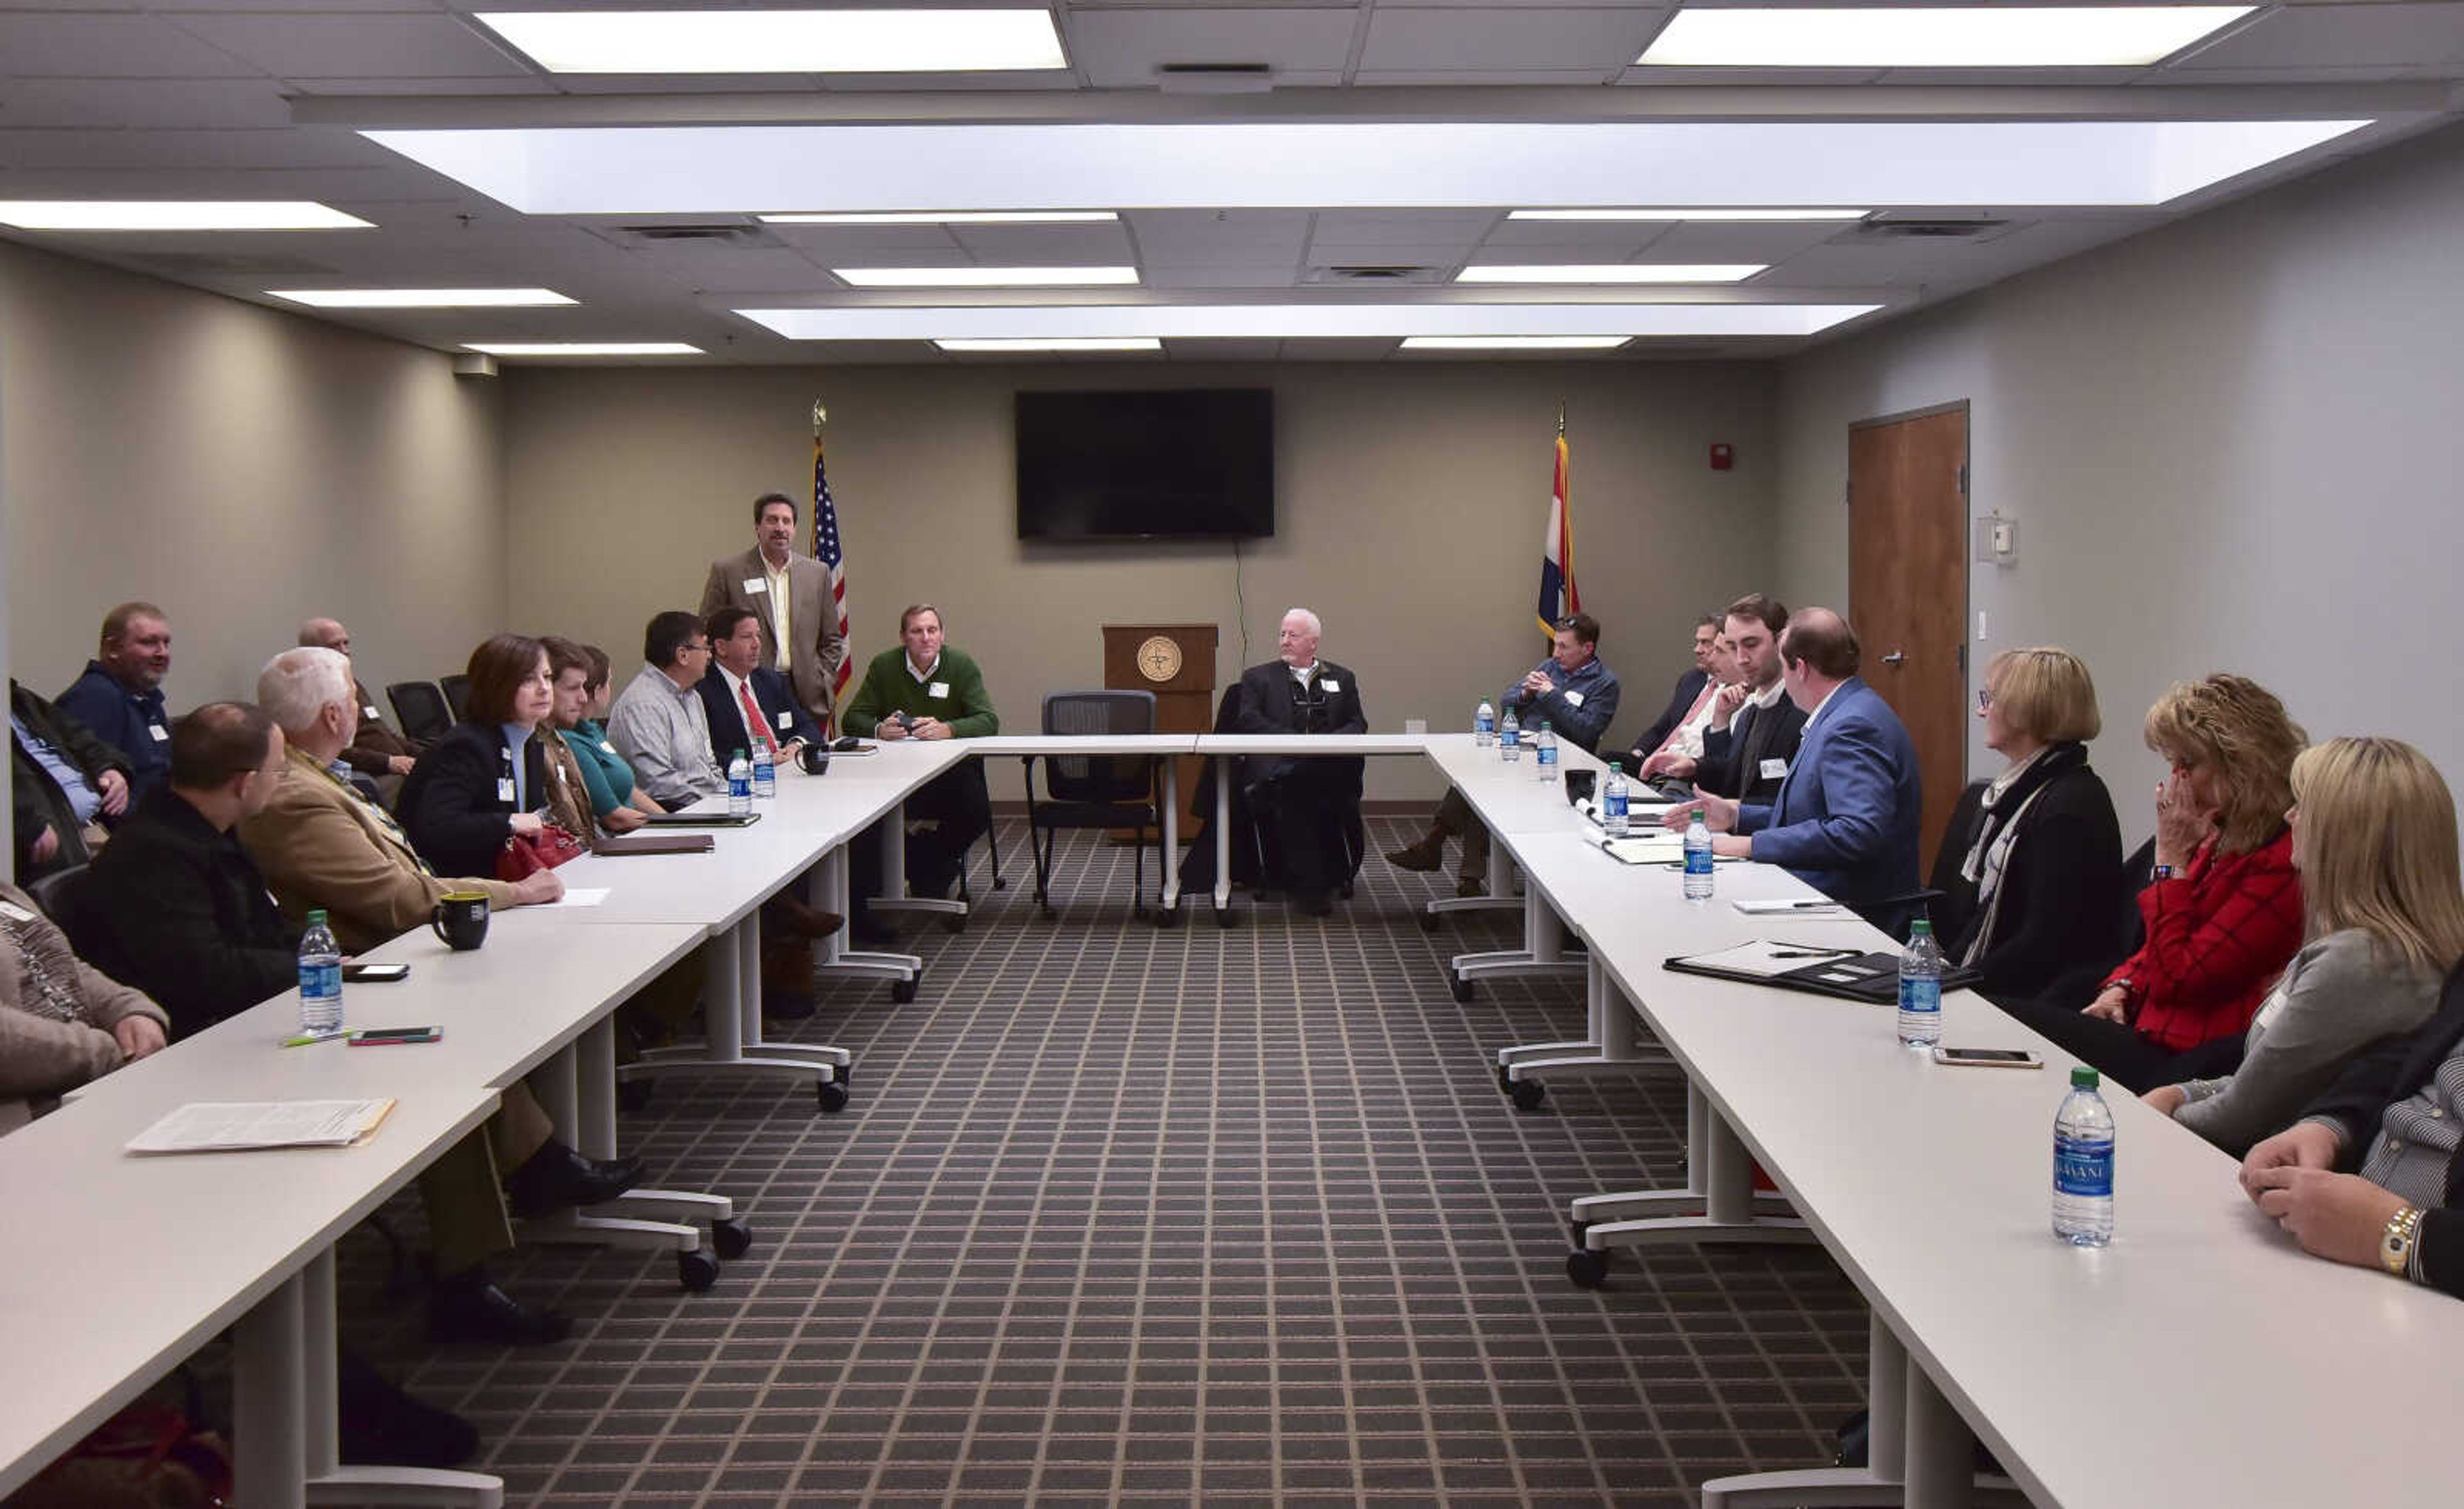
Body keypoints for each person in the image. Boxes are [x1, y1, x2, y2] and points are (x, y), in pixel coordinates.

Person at [240, 646, 632, 1345]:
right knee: (465, 1064)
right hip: (359, 977)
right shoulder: (298, 796)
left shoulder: (320, 780)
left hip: (392, 959)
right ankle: (481, 1259)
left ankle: (532, 1183)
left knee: (491, 1045)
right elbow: (401, 896)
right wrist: (517, 892)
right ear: (337, 714)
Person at [2143, 738, 2463, 1155]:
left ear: (2344, 835)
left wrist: (2153, 1113)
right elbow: (2260, 1085)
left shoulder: (2361, 962)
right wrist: (2183, 1093)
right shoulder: (2382, 948)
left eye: (2303, 806)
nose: (2290, 816)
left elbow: (2237, 1121)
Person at [1999, 674, 2306, 1091]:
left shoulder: (2280, 863)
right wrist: (2121, 985)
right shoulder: (2223, 833)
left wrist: (2169, 864)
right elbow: (2149, 950)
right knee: (1999, 1023)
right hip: (2145, 1024)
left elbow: (2179, 974)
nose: (2176, 778)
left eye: (2189, 764)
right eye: (2172, 763)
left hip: (2186, 1059)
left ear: (2241, 765)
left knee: (2010, 1028)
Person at [1661, 608, 1922, 930]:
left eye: (1784, 668)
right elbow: (1813, 816)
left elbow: (1857, 832)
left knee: (1699, 913)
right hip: (1823, 889)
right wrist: (1736, 814)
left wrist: (1750, 845)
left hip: (1852, 908)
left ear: (1800, 668)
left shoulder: (1850, 726)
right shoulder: (1844, 712)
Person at [71, 703, 300, 1041]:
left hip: (246, 1018)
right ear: (246, 784)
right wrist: (307, 968)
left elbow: (267, 926)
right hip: (191, 1040)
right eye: (278, 771)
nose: (281, 781)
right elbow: (205, 974)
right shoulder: (150, 857)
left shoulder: (215, 832)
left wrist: (321, 955)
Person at [2239, 968, 2464, 1300]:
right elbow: (2413, 1054)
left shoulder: (2354, 959)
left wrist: (2398, 1234)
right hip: (2331, 1251)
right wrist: (2326, 1126)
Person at [1925, 648, 2123, 1005]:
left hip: (2035, 995)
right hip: (2005, 977)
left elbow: (2041, 944)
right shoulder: (2029, 790)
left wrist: (1952, 983)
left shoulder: (2068, 808)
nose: (1981, 710)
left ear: (2025, 712)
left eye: (1990, 698)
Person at [1387, 613, 1618, 896]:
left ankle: (1443, 853)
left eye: (1564, 647)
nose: (1556, 653)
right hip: (1520, 750)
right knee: (1473, 783)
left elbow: (1587, 732)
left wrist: (1549, 694)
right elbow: (1506, 699)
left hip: (1558, 765)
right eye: (1555, 645)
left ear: (1587, 649)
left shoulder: (1604, 683)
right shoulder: (1551, 666)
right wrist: (1526, 694)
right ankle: (1457, 867)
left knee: (1480, 789)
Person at [843, 603, 1000, 903]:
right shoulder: (884, 666)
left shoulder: (961, 664)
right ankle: (930, 868)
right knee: (865, 820)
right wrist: (879, 729)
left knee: (976, 810)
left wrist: (949, 729)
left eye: (932, 630)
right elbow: (852, 719)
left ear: (942, 635)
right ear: (903, 637)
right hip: (892, 777)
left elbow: (988, 720)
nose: (926, 638)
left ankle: (925, 863)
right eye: (917, 631)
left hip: (949, 774)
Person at [0, 878, 166, 1132]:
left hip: (90, 1089)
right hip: (30, 1123)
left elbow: (56, 961)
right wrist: (105, 1052)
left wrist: (127, 1008)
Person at [1232, 608, 1367, 917]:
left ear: (1313, 643)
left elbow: (1357, 724)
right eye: (1282, 634)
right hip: (1279, 767)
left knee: (1307, 781)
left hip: (1329, 766)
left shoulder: (1342, 678)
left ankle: (1313, 883)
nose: (1285, 641)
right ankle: (1315, 885)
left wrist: (1325, 745)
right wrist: (1295, 741)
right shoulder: (1258, 677)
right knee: (1299, 784)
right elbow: (1249, 720)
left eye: (1293, 635)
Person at [398, 635, 564, 879]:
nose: (544, 688)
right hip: (457, 887)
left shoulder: (531, 743)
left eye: (547, 677)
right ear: (496, 686)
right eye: (528, 679)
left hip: (510, 881)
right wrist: (508, 822)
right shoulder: (466, 746)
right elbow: (438, 826)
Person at [700, 490, 849, 731]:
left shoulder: (817, 573)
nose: (780, 527)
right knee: (767, 756)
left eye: (786, 521)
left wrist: (823, 677)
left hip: (807, 692)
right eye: (772, 520)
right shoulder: (729, 572)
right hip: (752, 686)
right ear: (757, 527)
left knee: (809, 756)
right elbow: (708, 630)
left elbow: (832, 637)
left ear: (794, 528)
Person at [9, 678, 131, 879]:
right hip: (46, 849)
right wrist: (25, 819)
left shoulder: (21, 699)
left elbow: (80, 736)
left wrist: (110, 768)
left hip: (92, 827)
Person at [55, 601, 175, 803]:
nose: (162, 653)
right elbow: (91, 789)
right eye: (149, 642)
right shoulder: (94, 698)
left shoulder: (148, 698)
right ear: (113, 648)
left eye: (166, 643)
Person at [1692, 595, 1806, 806]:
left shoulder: (1805, 713)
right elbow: (1726, 788)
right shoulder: (1748, 715)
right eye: (1733, 648)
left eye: (1751, 645)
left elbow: (1796, 809)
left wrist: (1737, 816)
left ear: (1781, 642)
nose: (1741, 659)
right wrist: (1720, 721)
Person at [607, 611, 726, 810]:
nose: (710, 655)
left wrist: (729, 798)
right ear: (683, 655)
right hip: (674, 813)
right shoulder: (643, 704)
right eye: (705, 647)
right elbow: (658, 782)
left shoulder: (692, 696)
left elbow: (709, 767)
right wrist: (713, 807)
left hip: (705, 806)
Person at [542, 638, 654, 832]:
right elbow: (613, 818)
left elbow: (630, 790)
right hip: (612, 839)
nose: (582, 697)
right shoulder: (568, 741)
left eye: (583, 687)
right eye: (572, 688)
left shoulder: (589, 731)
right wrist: (667, 824)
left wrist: (672, 821)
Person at [696, 606, 823, 769]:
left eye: (758, 636)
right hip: (744, 780)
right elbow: (707, 757)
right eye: (747, 637)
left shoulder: (769, 680)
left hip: (786, 769)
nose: (757, 644)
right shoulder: (702, 691)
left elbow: (808, 725)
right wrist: (759, 764)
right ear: (721, 647)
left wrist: (795, 746)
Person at [299, 617, 423, 781]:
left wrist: (423, 753)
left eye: (346, 643)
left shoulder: (351, 682)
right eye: (335, 645)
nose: (345, 651)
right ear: (311, 652)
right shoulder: (311, 693)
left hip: (397, 767)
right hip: (371, 775)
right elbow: (329, 751)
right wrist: (388, 762)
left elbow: (381, 731)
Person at [1634, 629, 1741, 789]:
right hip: (1669, 766)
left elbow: (1710, 759)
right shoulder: (1697, 681)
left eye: (1718, 650)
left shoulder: (1739, 699)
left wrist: (1691, 764)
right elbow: (1667, 728)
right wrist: (1640, 752)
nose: (1711, 658)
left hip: (1689, 782)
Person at [1625, 615, 1720, 763]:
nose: (1697, 650)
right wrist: (1638, 753)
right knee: (1608, 761)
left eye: (1705, 643)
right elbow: (1661, 728)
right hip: (1653, 762)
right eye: (1698, 642)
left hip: (1684, 770)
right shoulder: (1691, 679)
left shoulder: (1732, 693)